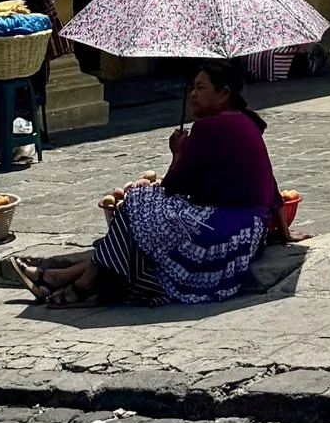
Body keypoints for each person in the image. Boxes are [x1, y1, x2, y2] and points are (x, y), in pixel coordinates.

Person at [19, 62, 292, 308]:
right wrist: (284, 229)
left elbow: (173, 186)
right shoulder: (245, 122)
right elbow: (269, 183)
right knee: (139, 224)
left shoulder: (211, 127)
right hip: (249, 232)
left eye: (201, 88)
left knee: (139, 201)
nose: (193, 94)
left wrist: (178, 153)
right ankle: (60, 277)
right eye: (193, 88)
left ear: (224, 93)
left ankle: (79, 284)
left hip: (227, 234)